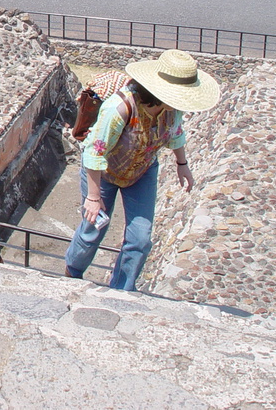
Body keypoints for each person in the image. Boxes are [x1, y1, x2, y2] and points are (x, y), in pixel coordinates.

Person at [64, 49, 220, 291]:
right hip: (103, 174)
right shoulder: (121, 108)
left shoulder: (172, 109)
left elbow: (175, 133)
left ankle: (121, 289)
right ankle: (72, 274)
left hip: (141, 171)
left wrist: (182, 164)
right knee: (93, 230)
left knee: (140, 238)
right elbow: (94, 152)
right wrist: (93, 197)